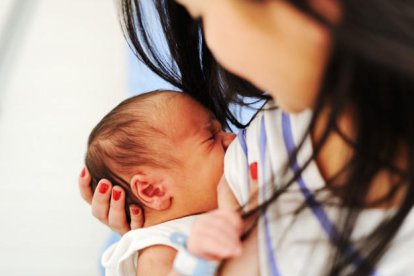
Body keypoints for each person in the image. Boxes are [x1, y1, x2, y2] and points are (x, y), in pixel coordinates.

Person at [78, 0, 414, 274]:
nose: (230, 136)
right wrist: (170, 244)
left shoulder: (266, 135)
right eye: (200, 16)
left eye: (204, 16)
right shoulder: (272, 126)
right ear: (152, 190)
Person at [84, 90, 239, 275]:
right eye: (212, 137)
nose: (232, 138)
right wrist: (196, 258)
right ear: (153, 190)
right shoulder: (158, 247)